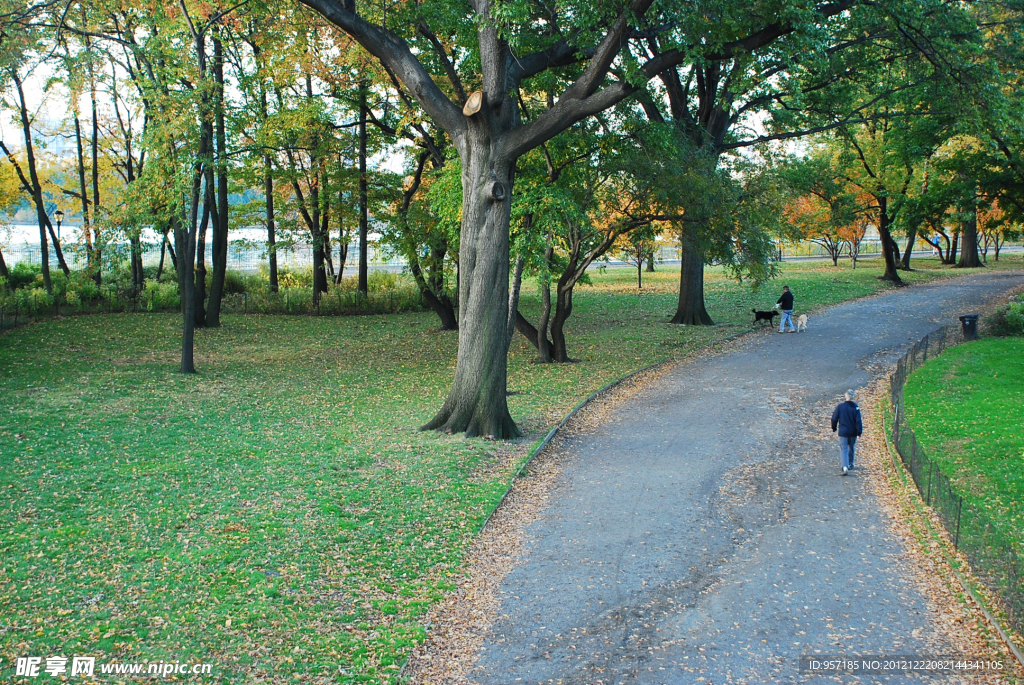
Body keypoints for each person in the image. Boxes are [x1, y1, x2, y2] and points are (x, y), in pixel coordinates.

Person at [831, 390, 863, 475]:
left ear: (845, 396)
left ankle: (845, 466)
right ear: (853, 397)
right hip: (853, 432)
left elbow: (834, 418)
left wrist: (834, 428)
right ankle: (850, 463)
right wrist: (859, 432)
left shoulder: (840, 407)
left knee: (843, 448)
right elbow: (858, 421)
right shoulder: (855, 407)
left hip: (843, 432)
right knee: (851, 447)